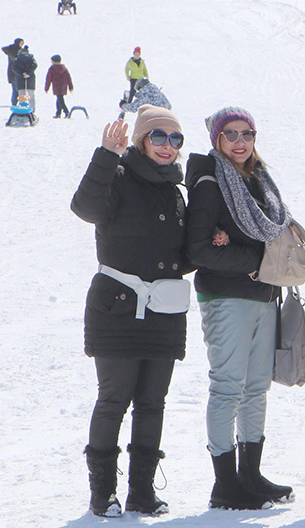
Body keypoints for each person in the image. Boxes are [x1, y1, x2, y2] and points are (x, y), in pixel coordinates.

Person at [70, 106, 194, 517]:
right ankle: (102, 492)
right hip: (117, 310)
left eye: (175, 139)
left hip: (163, 313)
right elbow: (86, 208)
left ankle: (141, 491)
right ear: (141, 139)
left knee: (152, 402)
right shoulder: (118, 178)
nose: (167, 146)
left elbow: (176, 255)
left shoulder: (177, 193)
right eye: (158, 137)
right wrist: (106, 154)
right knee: (114, 398)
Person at [185, 107, 296, 510]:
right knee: (229, 386)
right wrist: (252, 261)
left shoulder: (259, 181)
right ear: (216, 138)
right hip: (227, 297)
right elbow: (197, 249)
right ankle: (225, 485)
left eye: (246, 133)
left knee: (255, 389)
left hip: (264, 295)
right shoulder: (210, 184)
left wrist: (254, 258)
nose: (239, 141)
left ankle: (250, 475)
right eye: (230, 133)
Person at [44, 54, 74, 118]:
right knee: (59, 98)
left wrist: (46, 88)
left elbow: (48, 79)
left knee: (60, 99)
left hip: (56, 86)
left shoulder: (52, 69)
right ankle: (58, 113)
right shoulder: (64, 68)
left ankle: (66, 112)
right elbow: (69, 78)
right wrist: (71, 87)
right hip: (63, 85)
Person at [12, 45, 37, 114]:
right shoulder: (31, 58)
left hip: (20, 79)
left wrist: (21, 74)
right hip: (30, 78)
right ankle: (32, 109)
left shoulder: (17, 59)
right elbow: (35, 65)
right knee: (31, 95)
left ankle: (22, 109)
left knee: (21, 95)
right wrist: (28, 73)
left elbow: (14, 68)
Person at [4, 37, 25, 106]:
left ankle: (18, 102)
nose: (22, 44)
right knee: (16, 89)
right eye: (21, 43)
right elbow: (16, 60)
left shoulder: (20, 50)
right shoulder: (13, 51)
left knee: (19, 88)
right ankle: (14, 103)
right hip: (13, 73)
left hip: (18, 72)